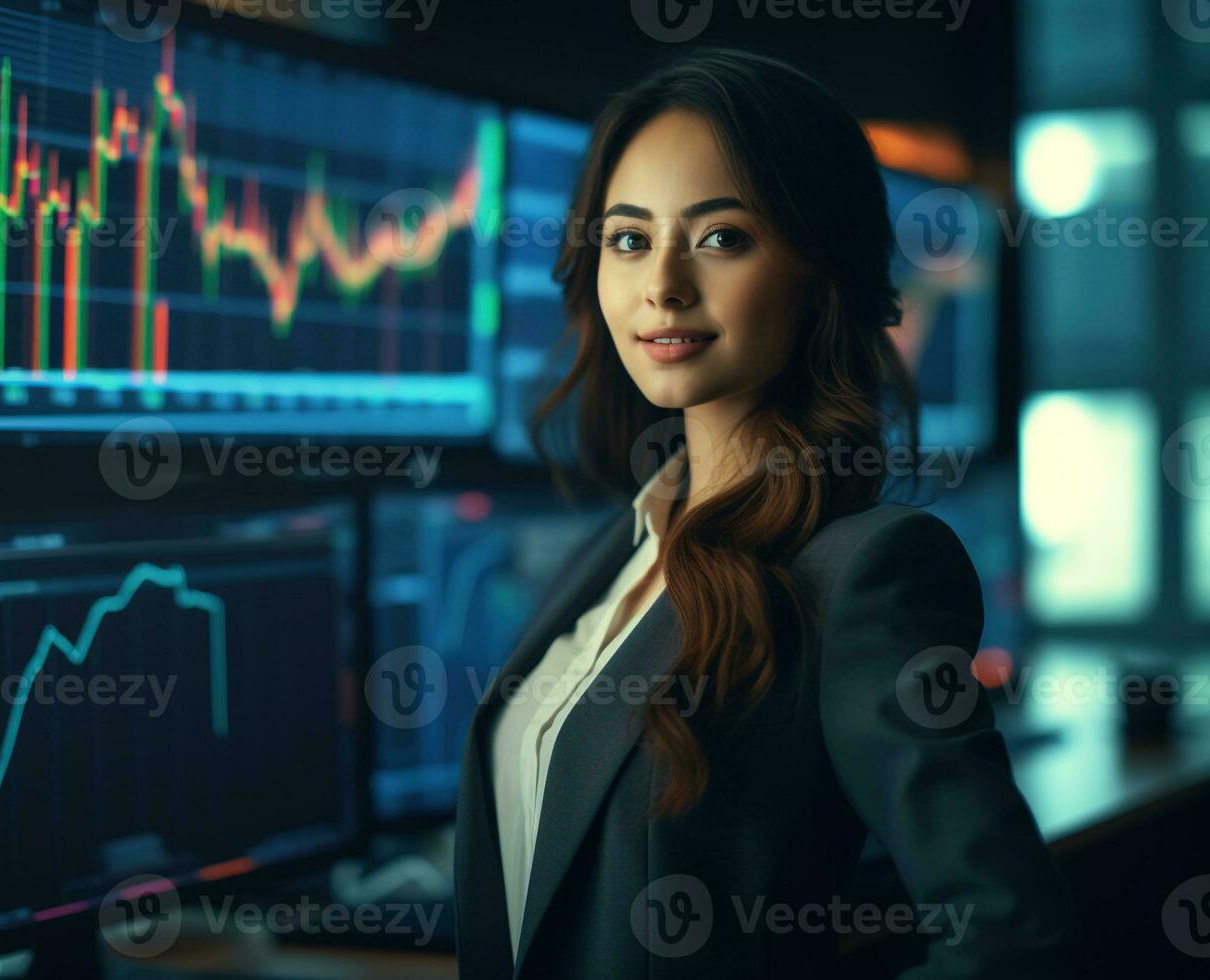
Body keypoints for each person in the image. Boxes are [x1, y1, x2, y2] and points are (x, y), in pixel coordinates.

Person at [453, 47, 1090, 979]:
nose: (663, 284)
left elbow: (1015, 936)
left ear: (818, 266)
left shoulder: (867, 570)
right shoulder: (618, 549)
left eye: (721, 238)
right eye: (629, 239)